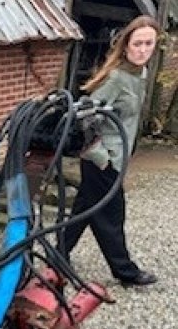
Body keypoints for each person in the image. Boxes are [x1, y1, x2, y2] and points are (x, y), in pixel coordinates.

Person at [61, 15, 160, 286]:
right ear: (126, 45)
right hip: (102, 159)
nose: (142, 50)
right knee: (111, 216)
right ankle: (125, 271)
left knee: (85, 207)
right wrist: (101, 157)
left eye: (148, 43)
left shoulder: (140, 73)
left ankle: (59, 253)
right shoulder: (116, 78)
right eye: (137, 43)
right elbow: (85, 116)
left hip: (118, 156)